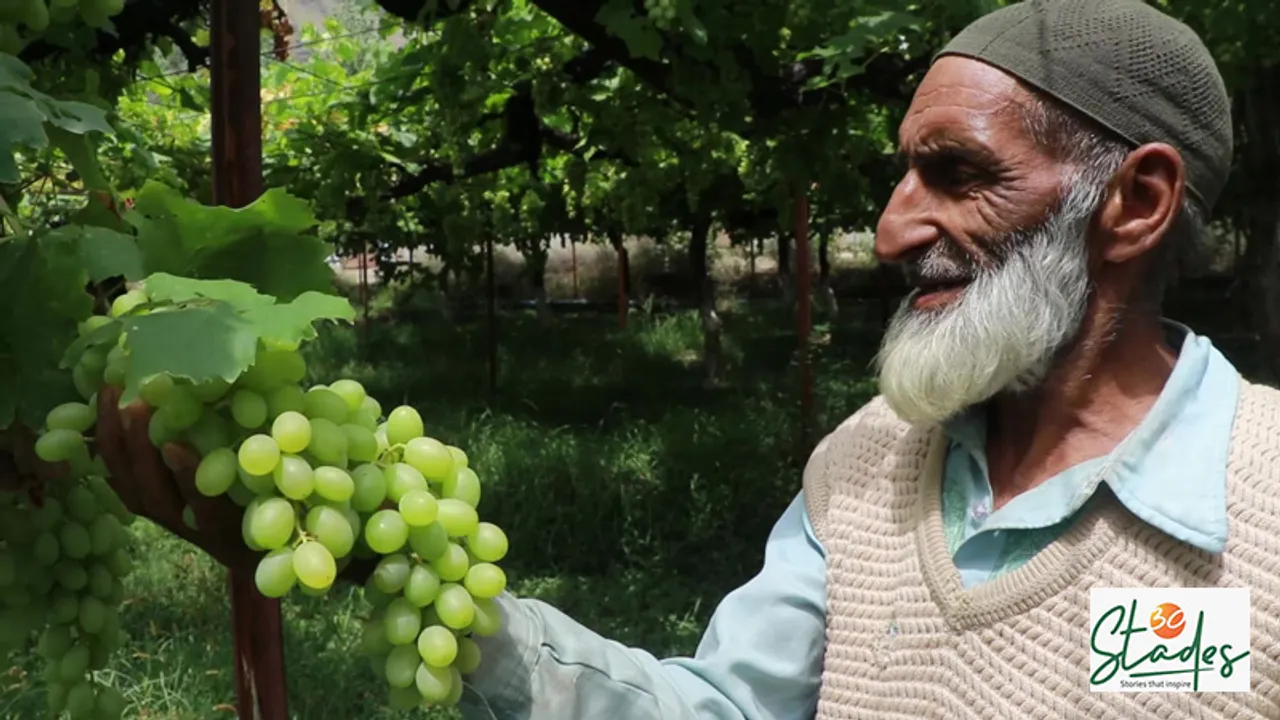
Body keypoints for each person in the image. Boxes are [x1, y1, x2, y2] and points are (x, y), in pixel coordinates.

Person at [72, 0, 1280, 718]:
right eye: (901, 173)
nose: (889, 227)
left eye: (956, 174)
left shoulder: (1261, 504)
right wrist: (389, 569)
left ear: (1131, 204)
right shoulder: (864, 470)